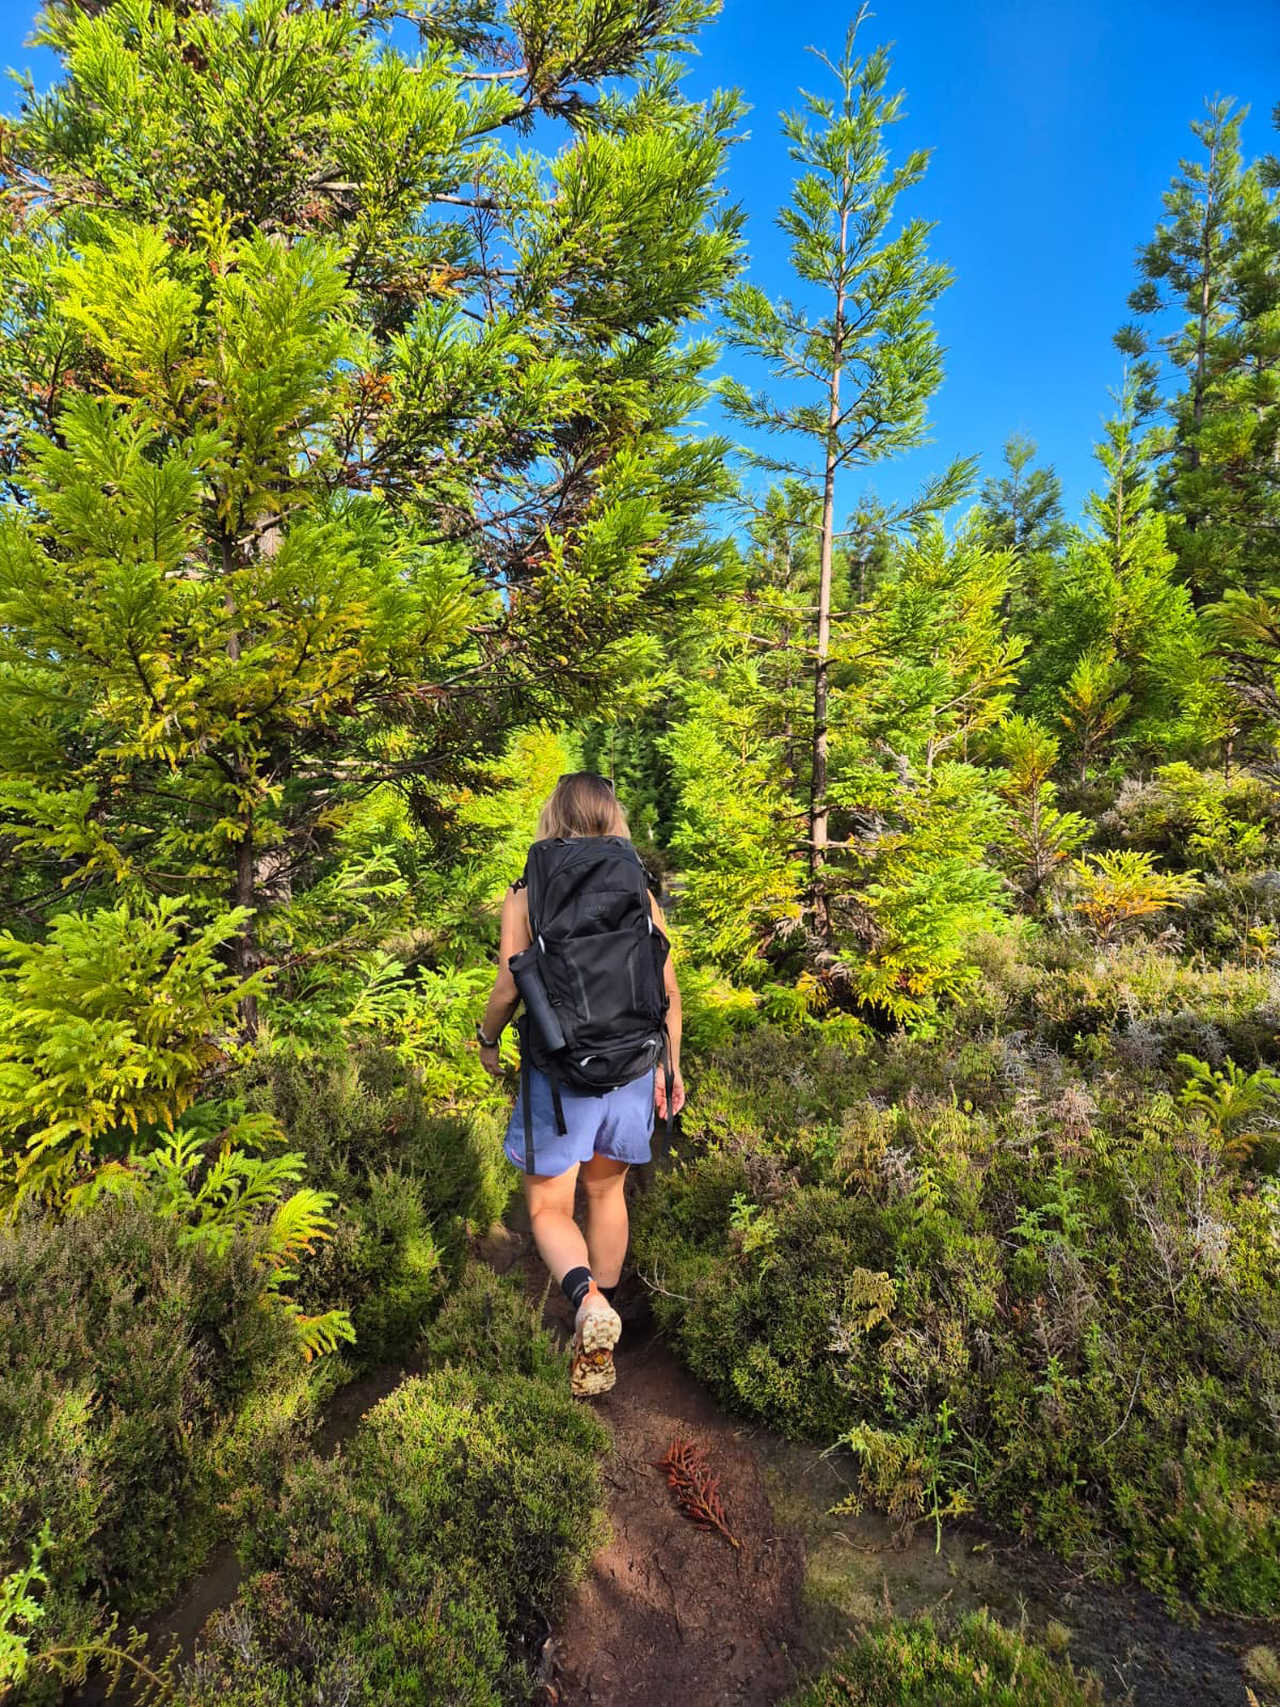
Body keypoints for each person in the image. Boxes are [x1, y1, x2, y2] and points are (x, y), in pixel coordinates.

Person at [476, 772, 684, 1397]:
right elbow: (668, 993)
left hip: (560, 1073)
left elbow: (511, 987)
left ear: (552, 816)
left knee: (546, 1207)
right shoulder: (640, 890)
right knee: (607, 1194)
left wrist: (486, 1042)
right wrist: (671, 1069)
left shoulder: (525, 895)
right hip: (630, 1066)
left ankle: (588, 1304)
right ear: (614, 818)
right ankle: (606, 1308)